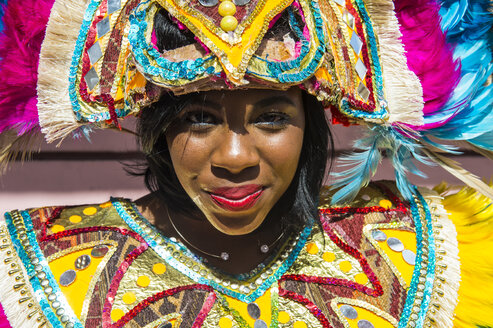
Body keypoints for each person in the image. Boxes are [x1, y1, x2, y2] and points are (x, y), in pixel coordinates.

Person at [0, 0, 491, 327]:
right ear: (157, 129)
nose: (234, 158)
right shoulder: (32, 271)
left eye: (272, 118)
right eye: (197, 118)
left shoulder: (426, 253)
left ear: (312, 124)